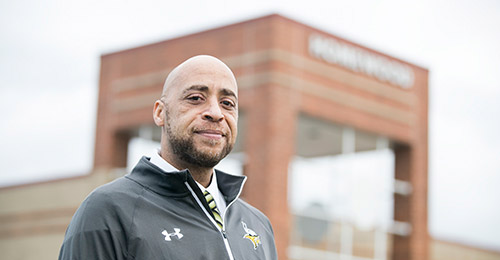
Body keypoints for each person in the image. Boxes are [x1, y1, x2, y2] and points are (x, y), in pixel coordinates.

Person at [58, 55, 278, 260]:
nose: (216, 112)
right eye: (195, 98)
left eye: (227, 103)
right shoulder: (107, 210)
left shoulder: (257, 224)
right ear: (160, 113)